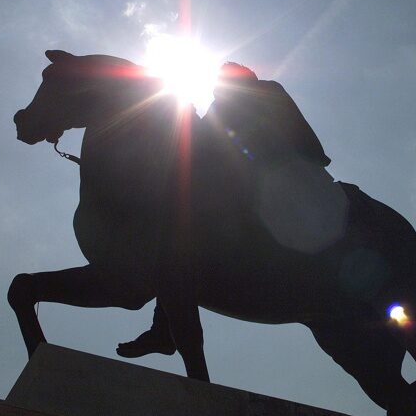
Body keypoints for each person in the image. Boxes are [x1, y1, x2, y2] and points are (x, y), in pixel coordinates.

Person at [117, 62, 339, 358]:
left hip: (277, 177)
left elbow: (280, 137)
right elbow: (201, 144)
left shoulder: (265, 92)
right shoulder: (219, 108)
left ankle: (164, 330)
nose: (218, 89)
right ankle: (163, 328)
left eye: (224, 83)